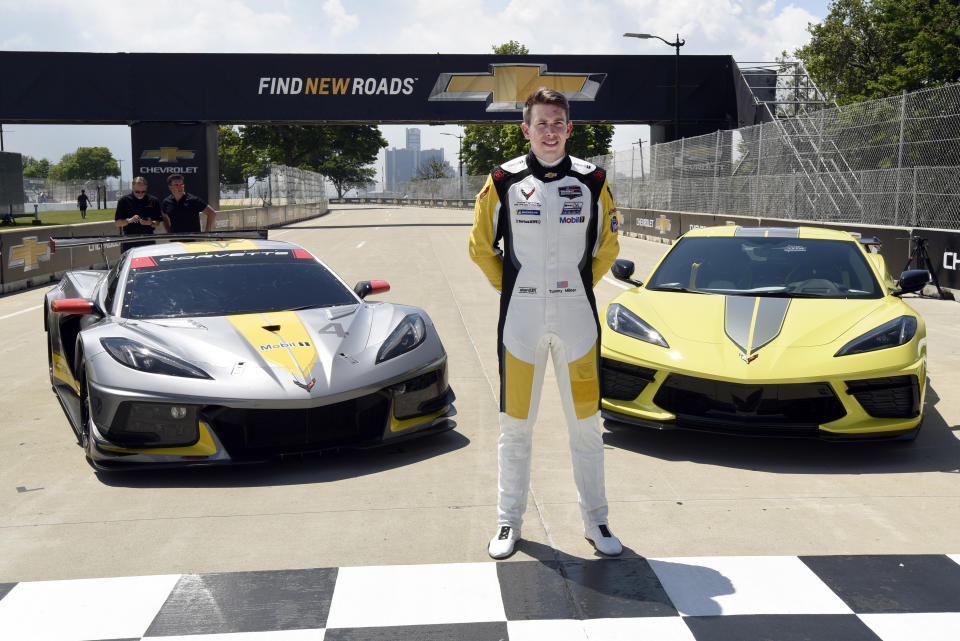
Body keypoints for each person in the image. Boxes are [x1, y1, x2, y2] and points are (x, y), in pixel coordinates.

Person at [469, 87, 622, 559]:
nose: (550, 131)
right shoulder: (502, 180)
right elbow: (479, 247)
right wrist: (515, 288)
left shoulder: (593, 180)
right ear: (526, 130)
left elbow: (608, 248)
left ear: (569, 128)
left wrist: (577, 284)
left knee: (586, 426)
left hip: (577, 319)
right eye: (542, 123)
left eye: (558, 122)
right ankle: (507, 522)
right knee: (515, 427)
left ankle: (597, 522)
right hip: (521, 321)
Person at [114, 176, 163, 252]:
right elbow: (117, 223)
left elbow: (157, 223)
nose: (140, 194)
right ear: (133, 188)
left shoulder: (153, 201)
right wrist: (129, 220)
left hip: (148, 240)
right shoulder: (124, 201)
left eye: (143, 192)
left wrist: (150, 223)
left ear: (146, 188)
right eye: (137, 192)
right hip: (129, 240)